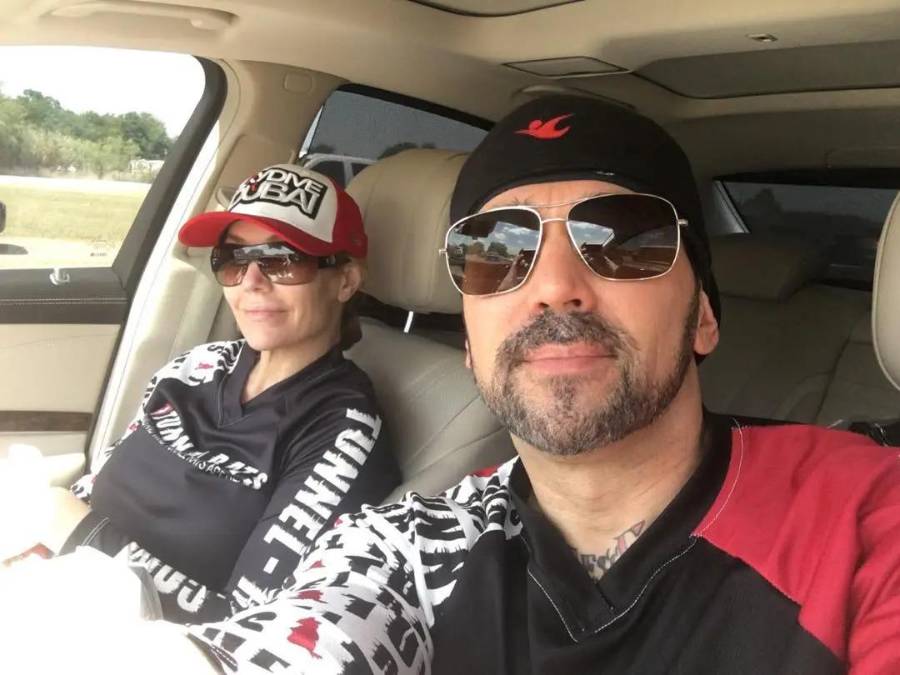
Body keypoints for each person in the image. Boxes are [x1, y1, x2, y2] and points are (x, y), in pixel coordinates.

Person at [10, 97, 900, 674]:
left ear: (703, 315)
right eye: (497, 249)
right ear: (470, 345)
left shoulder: (865, 514)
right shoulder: (410, 546)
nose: (554, 287)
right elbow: (298, 636)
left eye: (623, 238)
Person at [14, 163, 401, 624]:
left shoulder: (343, 430)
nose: (251, 281)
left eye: (282, 259)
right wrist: (41, 536)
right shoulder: (196, 366)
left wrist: (77, 533)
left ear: (345, 280)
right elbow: (95, 488)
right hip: (46, 585)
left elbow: (244, 621)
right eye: (234, 259)